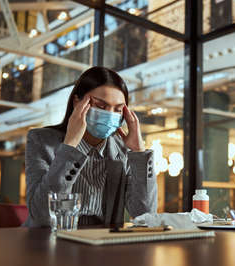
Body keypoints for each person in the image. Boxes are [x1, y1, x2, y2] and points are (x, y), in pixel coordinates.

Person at [23, 66, 157, 227]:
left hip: (101, 244)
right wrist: (70, 146)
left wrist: (139, 152)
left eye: (118, 109)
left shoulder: (123, 151)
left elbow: (145, 214)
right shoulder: (41, 140)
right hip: (49, 242)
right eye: (100, 106)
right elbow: (41, 215)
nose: (110, 114)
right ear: (77, 101)